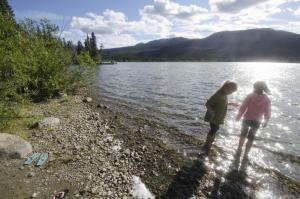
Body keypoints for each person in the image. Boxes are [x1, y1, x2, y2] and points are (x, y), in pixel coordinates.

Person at [235, 81, 271, 158]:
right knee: (251, 137)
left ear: (254, 87)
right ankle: (246, 153)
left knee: (243, 134)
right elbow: (267, 111)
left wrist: (239, 116)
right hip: (257, 121)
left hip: (247, 119)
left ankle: (239, 149)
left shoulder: (250, 96)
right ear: (264, 89)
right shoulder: (267, 99)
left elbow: (243, 107)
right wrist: (266, 120)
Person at [203, 80, 238, 152]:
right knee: (213, 130)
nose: (230, 93)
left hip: (219, 116)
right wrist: (211, 111)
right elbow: (208, 104)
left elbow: (223, 103)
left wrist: (231, 103)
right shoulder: (218, 95)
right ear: (225, 87)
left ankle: (210, 142)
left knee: (215, 129)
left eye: (232, 92)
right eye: (230, 91)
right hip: (214, 117)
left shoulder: (224, 95)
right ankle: (207, 144)